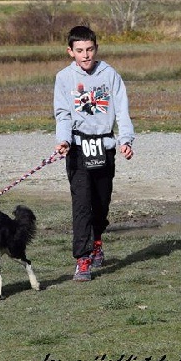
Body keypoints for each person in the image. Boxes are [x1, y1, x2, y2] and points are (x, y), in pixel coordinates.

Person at [54, 25, 135, 282]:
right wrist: (63, 140)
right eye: (80, 50)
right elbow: (63, 114)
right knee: (81, 205)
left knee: (100, 204)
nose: (85, 55)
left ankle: (97, 240)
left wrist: (125, 139)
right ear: (70, 52)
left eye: (89, 49)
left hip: (104, 146)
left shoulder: (109, 74)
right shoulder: (64, 78)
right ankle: (83, 259)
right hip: (77, 148)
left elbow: (122, 109)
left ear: (96, 49)